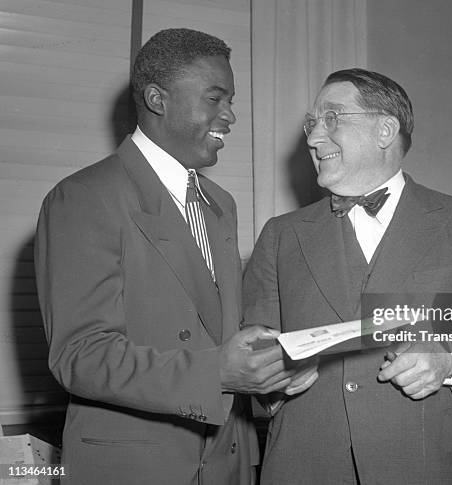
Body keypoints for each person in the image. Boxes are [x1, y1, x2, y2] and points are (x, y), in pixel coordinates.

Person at [243, 68, 452, 484]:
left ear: (385, 129)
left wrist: (450, 363)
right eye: (311, 123)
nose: (313, 138)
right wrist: (273, 380)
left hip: (428, 469)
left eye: (332, 118)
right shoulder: (280, 235)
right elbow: (252, 355)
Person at [34, 28, 296, 485]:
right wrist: (218, 371)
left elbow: (214, 330)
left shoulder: (221, 205)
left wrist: (269, 366)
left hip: (224, 463)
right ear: (157, 99)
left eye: (230, 99)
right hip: (137, 468)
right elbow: (79, 355)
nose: (230, 115)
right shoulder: (82, 198)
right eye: (215, 98)